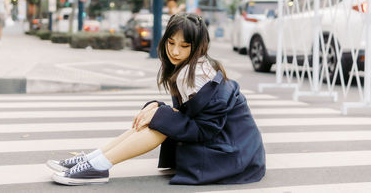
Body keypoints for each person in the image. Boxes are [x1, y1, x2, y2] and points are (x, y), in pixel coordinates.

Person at [46, 13, 266, 186]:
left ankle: (99, 164)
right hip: (231, 145)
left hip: (233, 153)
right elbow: (191, 113)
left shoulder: (198, 74)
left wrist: (161, 114)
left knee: (160, 121)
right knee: (155, 116)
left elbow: (205, 129)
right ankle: (95, 159)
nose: (175, 51)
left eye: (184, 46)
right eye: (171, 43)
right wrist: (156, 107)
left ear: (199, 46)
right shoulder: (191, 68)